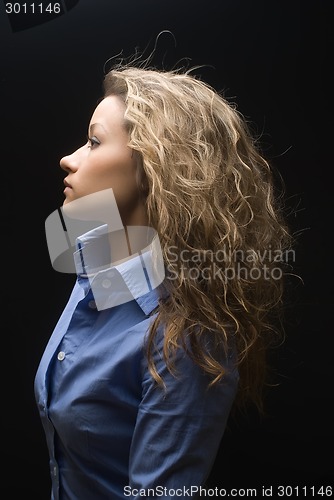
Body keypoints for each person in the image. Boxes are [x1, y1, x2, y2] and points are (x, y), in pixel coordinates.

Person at [34, 62, 293, 499]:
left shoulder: (188, 339)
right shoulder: (95, 262)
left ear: (151, 168)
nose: (70, 158)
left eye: (94, 142)